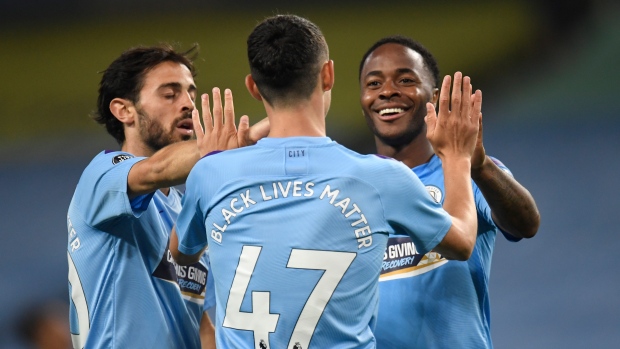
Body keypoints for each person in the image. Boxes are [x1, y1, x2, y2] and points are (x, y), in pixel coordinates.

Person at [171, 14, 482, 348]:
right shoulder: (378, 178)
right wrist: (458, 156)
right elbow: (462, 242)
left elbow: (182, 252)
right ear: (328, 75)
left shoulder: (212, 173)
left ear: (253, 87)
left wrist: (226, 160)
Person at [66, 44, 267, 348]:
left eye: (190, 93)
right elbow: (155, 170)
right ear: (124, 110)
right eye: (170, 94)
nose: (188, 104)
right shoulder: (102, 176)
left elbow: (201, 324)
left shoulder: (190, 207)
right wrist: (238, 143)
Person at [359, 35, 541, 348]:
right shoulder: (350, 184)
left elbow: (526, 224)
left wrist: (479, 167)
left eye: (405, 79)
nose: (387, 92)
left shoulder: (464, 174)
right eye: (374, 84)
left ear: (434, 96)